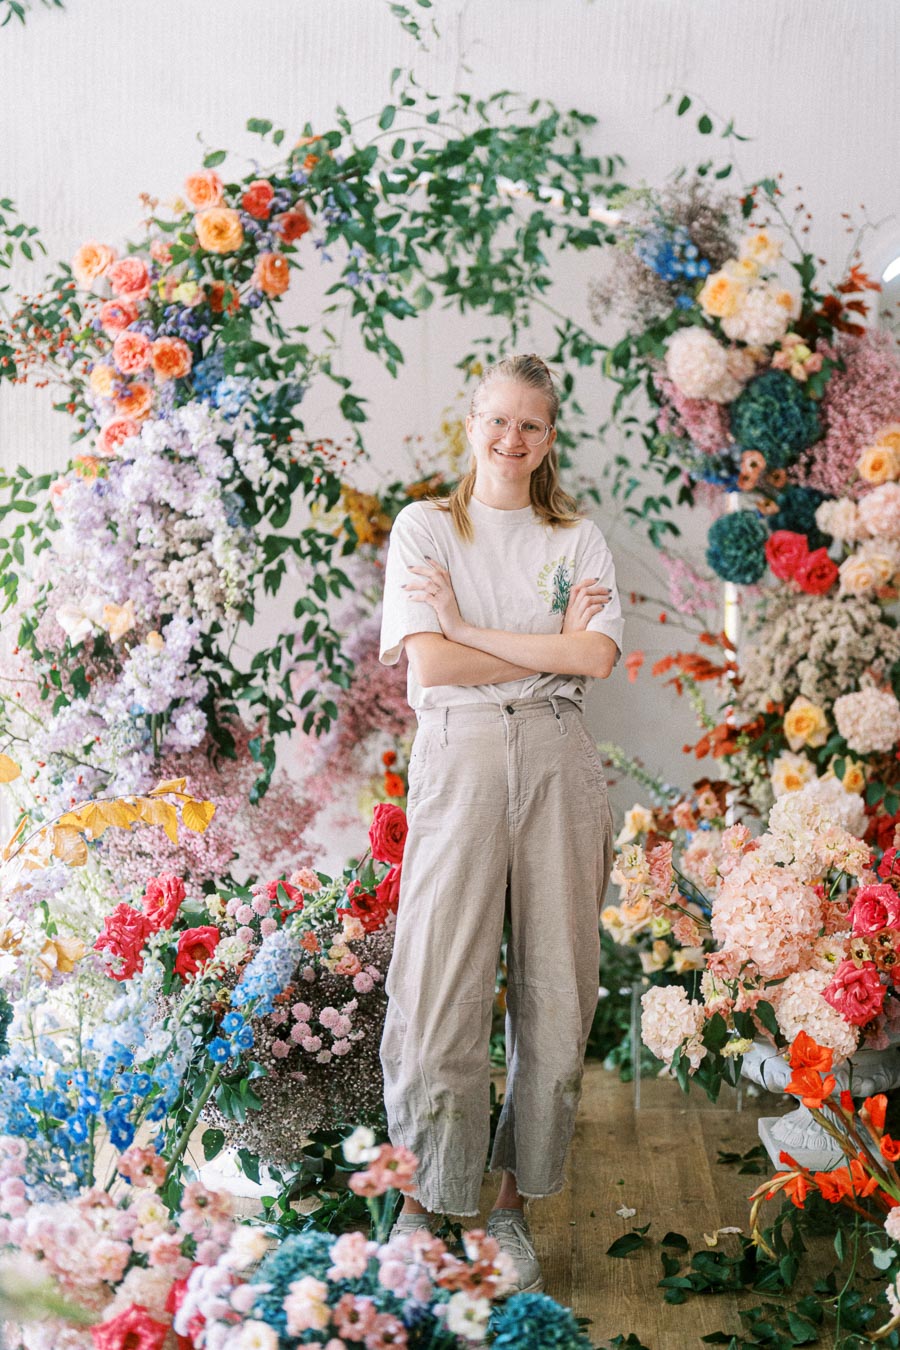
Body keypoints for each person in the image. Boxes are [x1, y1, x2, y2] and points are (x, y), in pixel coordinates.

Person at [378, 353, 623, 1294]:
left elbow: (593, 659)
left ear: (550, 438)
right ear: (471, 423)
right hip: (463, 755)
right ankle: (424, 1203)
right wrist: (541, 649)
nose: (511, 439)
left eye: (531, 425)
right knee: (441, 985)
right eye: (497, 421)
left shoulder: (579, 539)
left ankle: (510, 1215)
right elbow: (429, 671)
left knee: (558, 995)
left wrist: (469, 630)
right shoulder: (426, 528)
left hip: (560, 758)